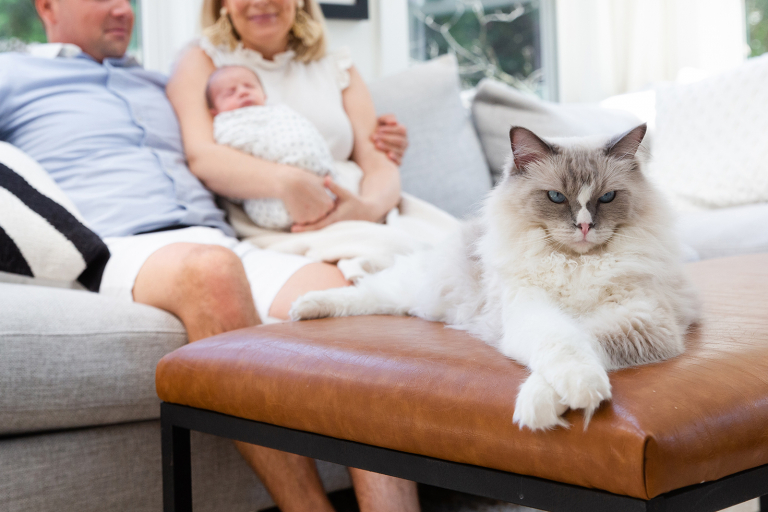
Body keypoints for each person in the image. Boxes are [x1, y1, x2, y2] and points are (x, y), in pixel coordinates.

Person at [0, 0, 415, 510]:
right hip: (119, 244)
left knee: (349, 303)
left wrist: (379, 141)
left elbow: (260, 127)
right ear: (46, 5)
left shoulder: (166, 84)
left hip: (218, 235)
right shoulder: (13, 72)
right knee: (211, 270)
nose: (122, 9)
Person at [166, 0, 421, 510]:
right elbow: (203, 155)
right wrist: (288, 184)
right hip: (279, 225)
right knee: (361, 309)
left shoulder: (337, 65)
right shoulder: (201, 60)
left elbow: (378, 160)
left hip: (365, 211)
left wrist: (368, 206)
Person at [207, 65, 362, 231]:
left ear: (264, 95)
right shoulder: (227, 125)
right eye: (230, 93)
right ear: (215, 111)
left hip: (327, 183)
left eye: (249, 87)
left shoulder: (278, 112)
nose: (242, 92)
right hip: (274, 196)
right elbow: (227, 162)